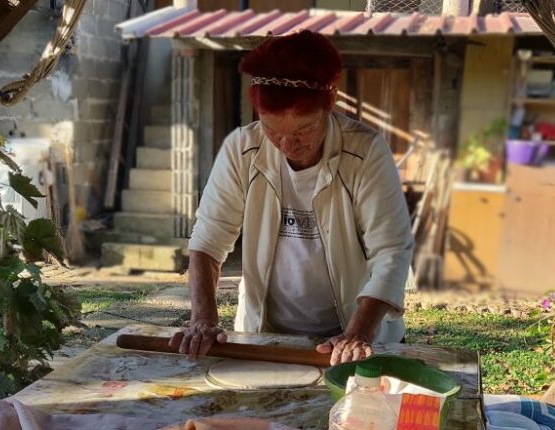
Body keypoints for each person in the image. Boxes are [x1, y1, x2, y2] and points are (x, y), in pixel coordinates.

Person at [169, 31, 413, 366]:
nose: (287, 145)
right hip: (266, 335)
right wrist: (203, 319)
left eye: (303, 131)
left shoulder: (365, 151)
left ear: (330, 102)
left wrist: (358, 333)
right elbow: (208, 243)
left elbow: (391, 252)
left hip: (357, 334)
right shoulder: (241, 150)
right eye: (272, 130)